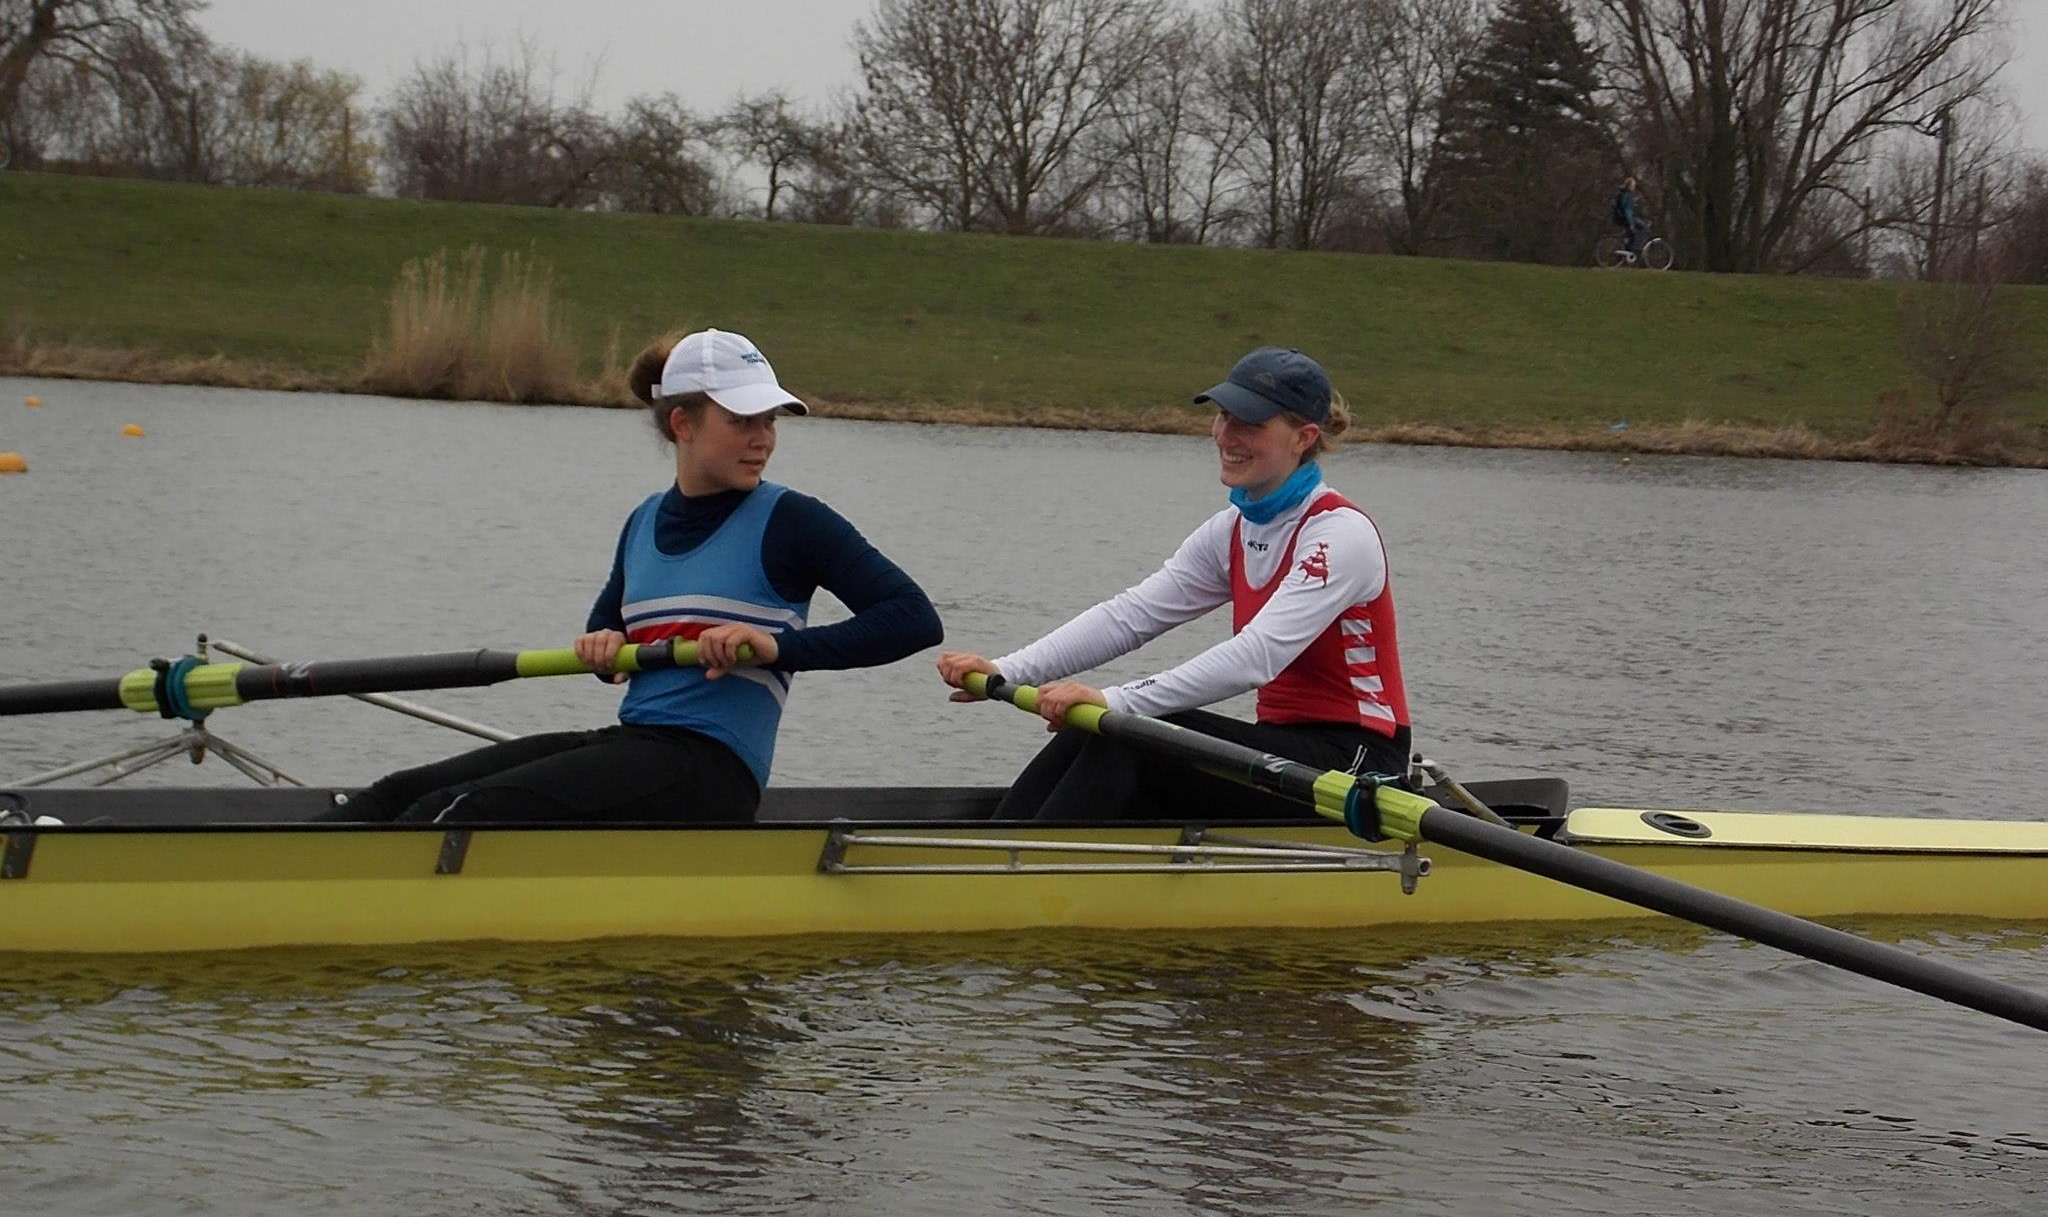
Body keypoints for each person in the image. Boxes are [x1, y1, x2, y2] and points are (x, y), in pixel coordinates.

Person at [323, 328, 941, 825]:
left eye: (771, 421)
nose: (763, 440)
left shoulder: (792, 521)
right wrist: (602, 646)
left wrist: (777, 647)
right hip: (636, 743)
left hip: (712, 771)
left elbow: (913, 619)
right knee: (393, 794)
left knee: (462, 810)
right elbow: (610, 629)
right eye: (743, 421)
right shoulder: (643, 520)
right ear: (683, 424)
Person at [936, 346, 1411, 822]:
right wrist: (1007, 670)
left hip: (1358, 765)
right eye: (1224, 416)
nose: (1226, 435)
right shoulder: (1232, 530)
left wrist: (1115, 700)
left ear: (1303, 438)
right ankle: (1002, 848)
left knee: (1125, 731)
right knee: (1096, 726)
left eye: (1249, 422)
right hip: (1282, 749)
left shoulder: (1339, 534)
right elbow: (1131, 616)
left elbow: (1256, 656)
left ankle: (1024, 862)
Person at [1611, 176, 1648, 260]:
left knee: (1632, 234)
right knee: (1644, 228)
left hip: (1620, 217)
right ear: (1629, 186)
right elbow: (1628, 211)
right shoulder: (1628, 195)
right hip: (1625, 218)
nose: (1634, 187)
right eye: (1633, 185)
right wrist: (1631, 223)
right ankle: (1636, 248)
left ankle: (1627, 252)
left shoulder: (1623, 193)